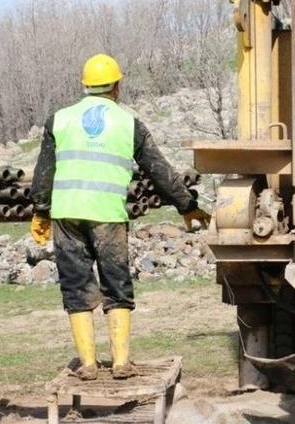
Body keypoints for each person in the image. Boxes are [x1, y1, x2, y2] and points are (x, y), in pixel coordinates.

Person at [29, 54, 211, 380]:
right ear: (117, 86)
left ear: (85, 85)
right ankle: (121, 363)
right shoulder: (129, 124)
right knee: (117, 286)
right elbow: (161, 173)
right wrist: (187, 206)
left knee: (76, 287)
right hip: (108, 217)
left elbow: (44, 173)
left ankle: (87, 364)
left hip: (67, 216)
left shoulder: (59, 120)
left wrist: (41, 210)